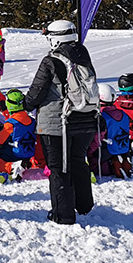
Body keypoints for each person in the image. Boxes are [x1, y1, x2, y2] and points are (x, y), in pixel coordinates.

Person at [23, 20, 98, 226]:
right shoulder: (83, 55)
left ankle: (62, 215)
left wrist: (25, 104)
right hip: (85, 119)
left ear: (55, 37)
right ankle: (84, 205)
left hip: (58, 123)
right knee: (77, 161)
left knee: (58, 168)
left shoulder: (51, 60)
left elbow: (35, 93)